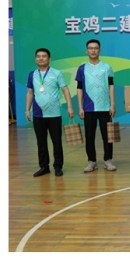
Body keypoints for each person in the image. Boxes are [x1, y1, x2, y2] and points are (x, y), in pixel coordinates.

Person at [25, 48, 74, 177]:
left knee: (56, 141)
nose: (41, 58)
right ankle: (44, 166)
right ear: (35, 59)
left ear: (49, 59)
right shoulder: (32, 74)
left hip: (54, 114)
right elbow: (30, 92)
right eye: (38, 56)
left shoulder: (57, 73)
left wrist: (70, 107)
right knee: (41, 142)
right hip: (38, 114)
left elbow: (65, 90)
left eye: (44, 56)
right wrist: (27, 110)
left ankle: (58, 166)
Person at [76, 39, 116, 172]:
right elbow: (79, 88)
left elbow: (111, 86)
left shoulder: (107, 67)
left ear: (100, 50)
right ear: (86, 51)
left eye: (96, 48)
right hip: (88, 108)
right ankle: (92, 161)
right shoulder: (82, 68)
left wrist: (112, 104)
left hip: (105, 107)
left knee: (108, 135)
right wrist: (80, 107)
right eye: (90, 48)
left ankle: (108, 160)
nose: (93, 50)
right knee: (89, 136)